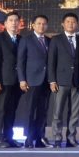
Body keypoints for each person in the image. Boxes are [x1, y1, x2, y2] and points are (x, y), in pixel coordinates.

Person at [48, 12, 79, 148]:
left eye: (73, 22)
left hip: (76, 81)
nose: (71, 24)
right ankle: (57, 138)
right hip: (60, 81)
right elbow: (51, 61)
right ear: (63, 24)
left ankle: (71, 138)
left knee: (74, 113)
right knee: (57, 112)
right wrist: (52, 80)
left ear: (77, 24)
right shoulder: (56, 40)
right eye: (68, 22)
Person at [17, 14, 52, 148]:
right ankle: (28, 138)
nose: (41, 26)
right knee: (30, 111)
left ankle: (40, 138)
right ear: (33, 25)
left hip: (46, 81)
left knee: (43, 111)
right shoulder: (26, 40)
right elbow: (20, 62)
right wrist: (22, 80)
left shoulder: (49, 41)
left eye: (44, 24)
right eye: (39, 23)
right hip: (31, 81)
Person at [0, 11, 22, 148]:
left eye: (16, 20)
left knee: (11, 111)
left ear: (19, 23)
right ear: (5, 23)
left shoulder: (21, 39)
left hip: (17, 81)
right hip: (3, 81)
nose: (14, 23)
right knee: (0, 110)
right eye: (11, 20)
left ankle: (9, 138)